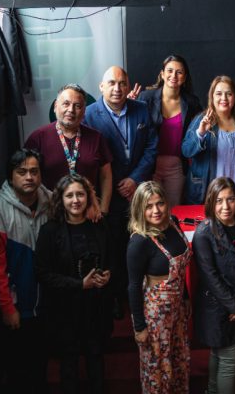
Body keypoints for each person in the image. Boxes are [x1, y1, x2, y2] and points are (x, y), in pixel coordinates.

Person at [84, 66, 158, 318]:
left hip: (138, 191)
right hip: (108, 193)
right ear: (101, 87)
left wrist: (134, 179)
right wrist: (115, 184)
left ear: (128, 86)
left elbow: (151, 147)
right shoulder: (89, 114)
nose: (117, 88)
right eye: (111, 83)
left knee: (142, 242)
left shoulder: (141, 109)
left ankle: (142, 293)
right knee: (113, 246)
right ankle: (117, 295)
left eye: (122, 83)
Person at [0, 149, 52, 393]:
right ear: (11, 177)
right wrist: (7, 308)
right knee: (18, 370)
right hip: (16, 307)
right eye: (22, 172)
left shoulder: (52, 202)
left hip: (46, 304)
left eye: (34, 171)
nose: (29, 177)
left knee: (41, 365)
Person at [34, 174, 113, 394]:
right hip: (65, 310)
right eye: (69, 196)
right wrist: (79, 285)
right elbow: (42, 273)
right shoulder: (49, 231)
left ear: (88, 197)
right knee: (69, 365)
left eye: (80, 194)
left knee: (96, 360)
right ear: (61, 199)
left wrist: (108, 275)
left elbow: (113, 259)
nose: (76, 200)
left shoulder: (99, 225)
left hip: (96, 308)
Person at [192, 177, 235, 394]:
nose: (225, 206)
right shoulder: (204, 233)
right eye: (219, 200)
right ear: (210, 202)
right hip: (217, 307)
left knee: (220, 353)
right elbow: (210, 277)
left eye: (230, 199)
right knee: (229, 359)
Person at [126, 181, 192, 393]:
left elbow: (180, 270)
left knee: (178, 361)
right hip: (156, 316)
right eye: (149, 206)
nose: (156, 210)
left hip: (177, 309)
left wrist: (186, 297)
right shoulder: (139, 241)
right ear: (140, 209)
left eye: (160, 203)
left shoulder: (173, 223)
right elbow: (133, 286)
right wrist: (139, 327)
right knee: (158, 368)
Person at [25, 83, 112, 218]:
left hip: (88, 214)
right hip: (49, 213)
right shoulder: (38, 138)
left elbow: (106, 176)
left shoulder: (96, 138)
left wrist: (103, 210)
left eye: (77, 106)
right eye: (66, 104)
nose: (71, 110)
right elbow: (26, 176)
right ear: (55, 106)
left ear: (84, 111)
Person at [138, 55, 203, 207]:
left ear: (184, 77)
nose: (174, 76)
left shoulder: (192, 103)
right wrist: (129, 105)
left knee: (174, 209)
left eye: (179, 72)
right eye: (170, 71)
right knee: (151, 208)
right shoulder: (145, 98)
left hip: (176, 167)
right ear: (162, 74)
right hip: (150, 164)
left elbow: (199, 134)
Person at [182, 75, 235, 205]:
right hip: (208, 194)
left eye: (229, 94)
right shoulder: (202, 119)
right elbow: (186, 150)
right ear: (212, 97)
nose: (224, 98)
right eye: (219, 94)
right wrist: (201, 133)